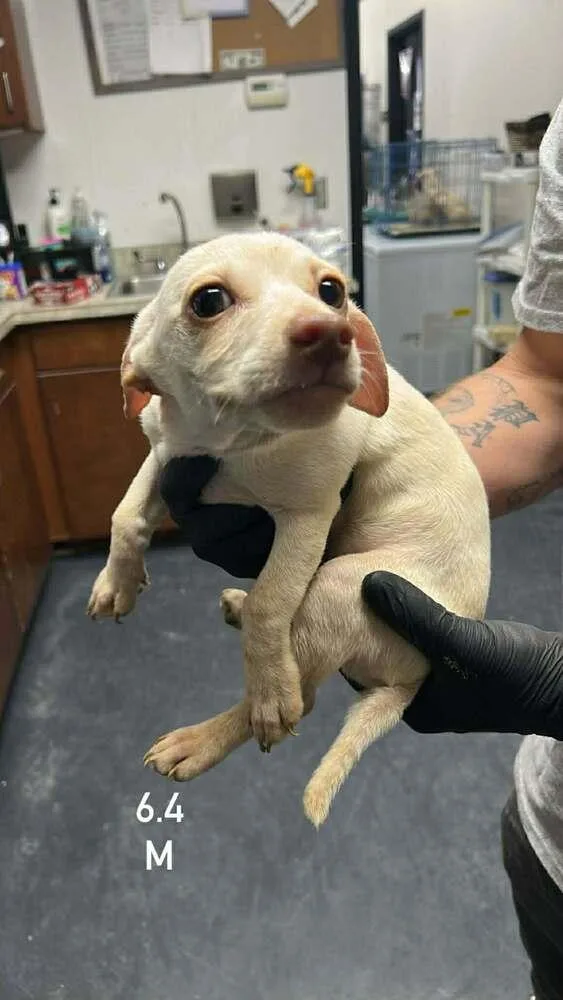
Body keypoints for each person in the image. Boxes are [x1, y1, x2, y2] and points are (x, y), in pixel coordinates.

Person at [159, 101, 563, 1000]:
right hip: (551, 836)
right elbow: (546, 375)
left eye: (331, 295)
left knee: (322, 587)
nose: (320, 322)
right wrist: (385, 494)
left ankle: (245, 717)